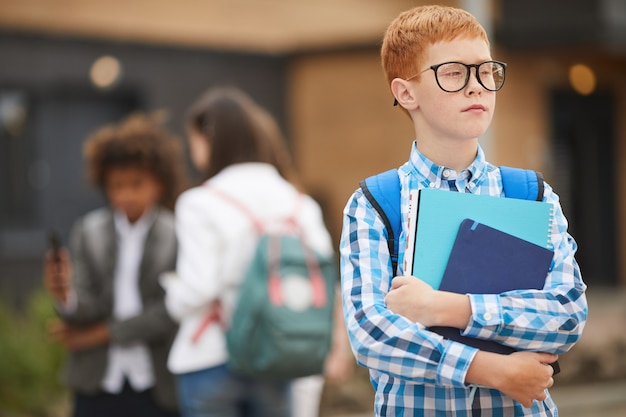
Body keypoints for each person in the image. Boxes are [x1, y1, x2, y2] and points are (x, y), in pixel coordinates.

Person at [339, 5, 588, 416]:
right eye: (454, 73)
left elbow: (566, 314)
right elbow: (373, 334)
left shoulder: (530, 194)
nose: (477, 87)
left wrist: (446, 308)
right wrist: (490, 369)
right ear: (406, 93)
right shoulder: (375, 204)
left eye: (486, 71)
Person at [162, 86, 337, 417]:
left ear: (208, 138)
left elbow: (199, 287)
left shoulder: (199, 202)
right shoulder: (300, 203)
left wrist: (172, 296)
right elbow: (324, 279)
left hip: (211, 355)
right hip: (278, 354)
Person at [43, 113, 187, 417]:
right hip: (96, 382)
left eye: (136, 184)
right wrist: (65, 295)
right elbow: (86, 306)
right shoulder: (88, 231)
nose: (126, 194)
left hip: (157, 384)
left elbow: (169, 311)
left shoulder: (177, 234)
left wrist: (99, 334)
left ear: (159, 183)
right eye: (116, 186)